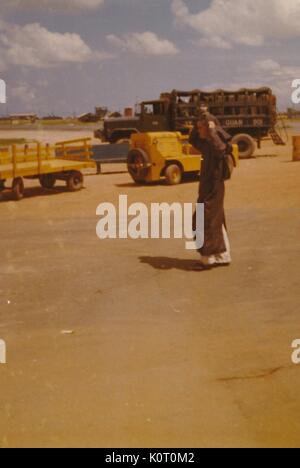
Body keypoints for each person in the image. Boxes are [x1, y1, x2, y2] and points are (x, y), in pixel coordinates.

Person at [189, 111, 233, 269]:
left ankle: (207, 259)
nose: (199, 131)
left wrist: (212, 130)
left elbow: (220, 150)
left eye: (201, 128)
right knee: (216, 220)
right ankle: (223, 256)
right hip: (208, 187)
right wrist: (198, 120)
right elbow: (192, 139)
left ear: (209, 129)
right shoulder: (206, 142)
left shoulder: (216, 142)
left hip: (213, 188)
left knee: (204, 220)